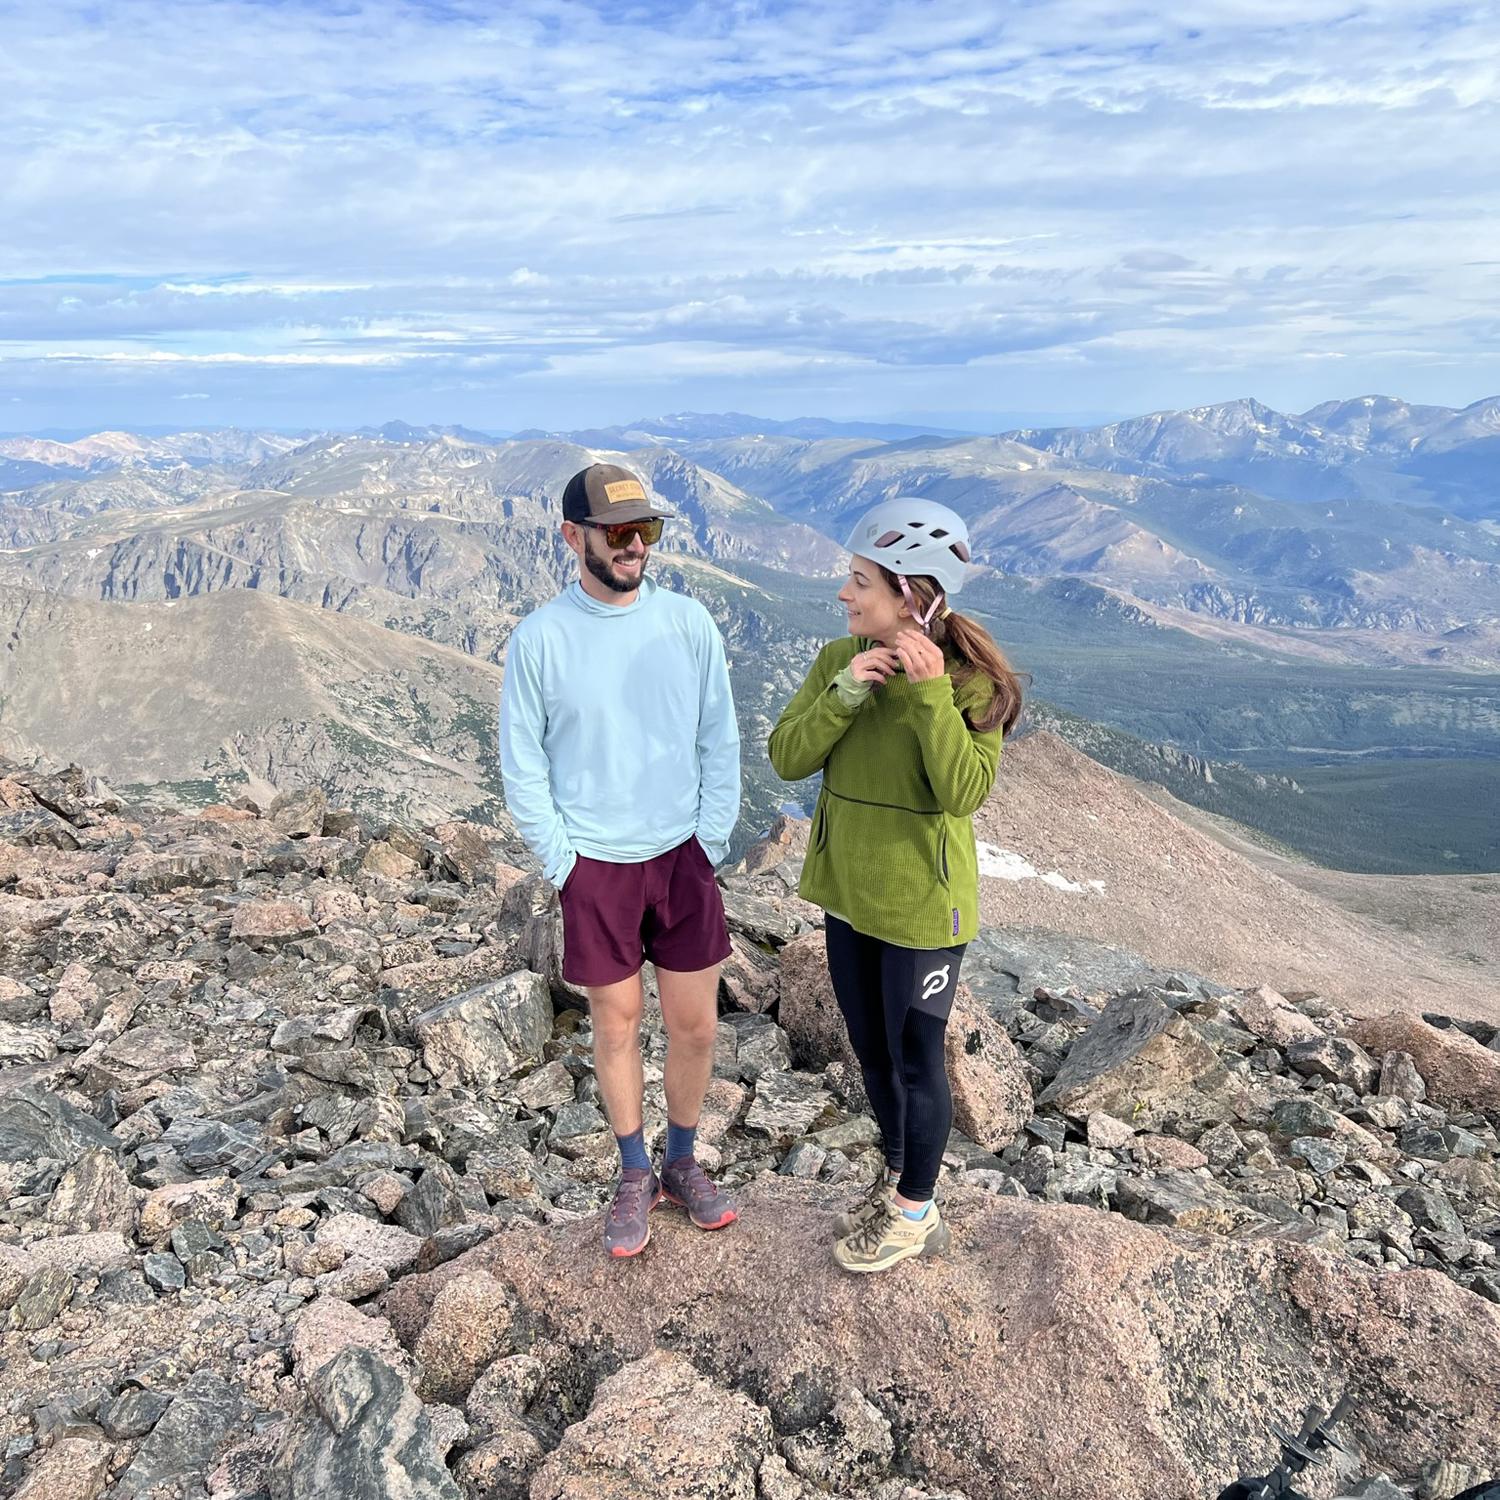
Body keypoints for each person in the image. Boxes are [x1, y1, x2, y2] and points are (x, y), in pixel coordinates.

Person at [768, 497, 1024, 1273]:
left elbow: (962, 792)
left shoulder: (971, 685)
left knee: (917, 1059)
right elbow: (787, 756)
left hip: (921, 912)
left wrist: (926, 694)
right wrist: (846, 690)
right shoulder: (836, 660)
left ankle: (914, 1214)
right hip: (850, 898)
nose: (843, 593)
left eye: (860, 581)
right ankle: (898, 1181)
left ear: (911, 596)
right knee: (872, 1054)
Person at [499, 461, 742, 1259]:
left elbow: (719, 735)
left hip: (682, 856)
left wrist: (710, 841)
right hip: (596, 864)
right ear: (573, 538)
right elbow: (522, 763)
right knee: (617, 1022)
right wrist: (564, 862)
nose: (635, 545)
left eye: (646, 529)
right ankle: (635, 1170)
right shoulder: (540, 639)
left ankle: (682, 1161)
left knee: (695, 1025)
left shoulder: (688, 623)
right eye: (618, 532)